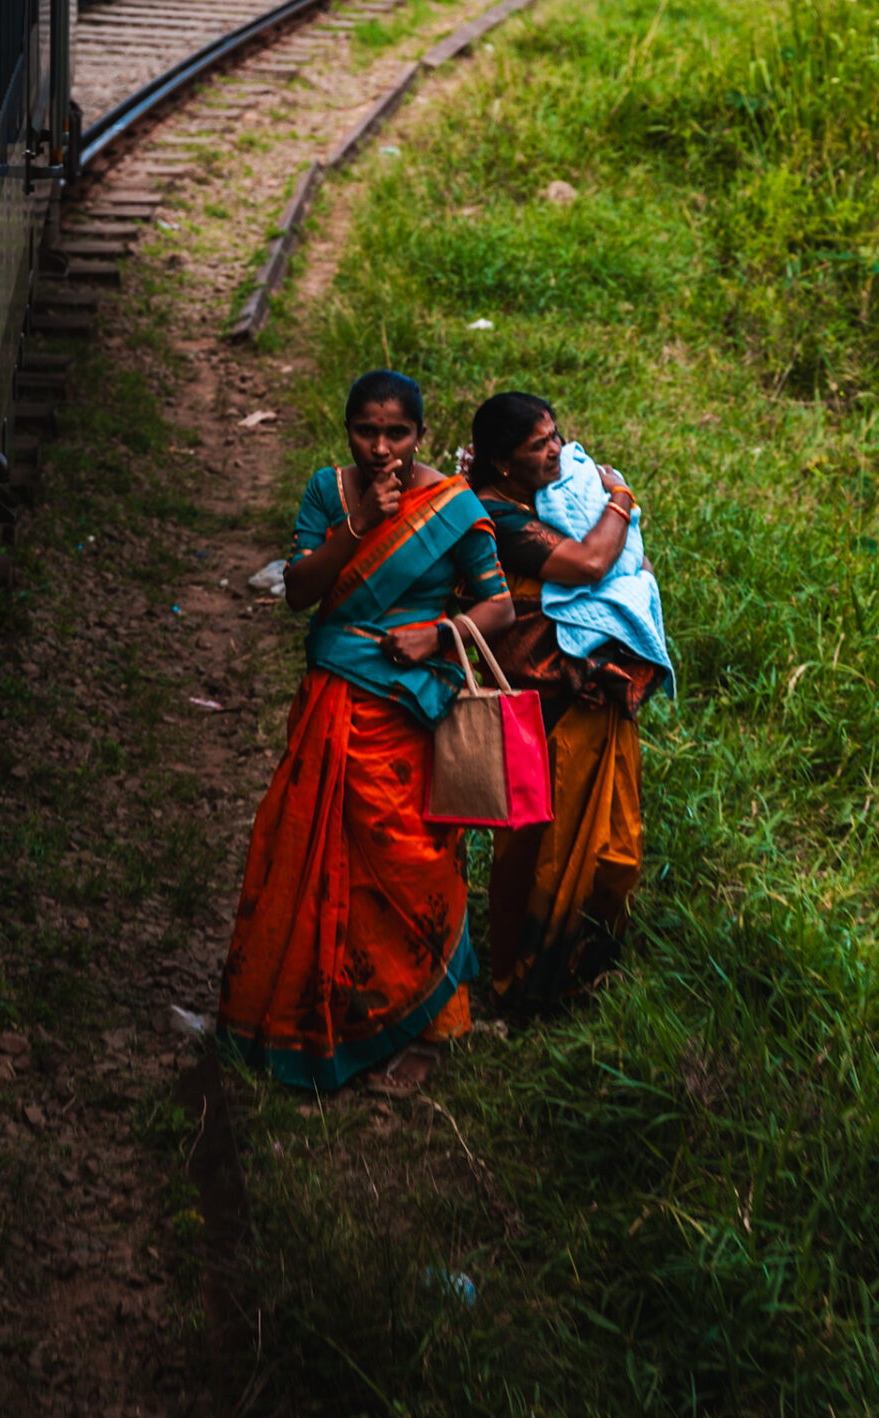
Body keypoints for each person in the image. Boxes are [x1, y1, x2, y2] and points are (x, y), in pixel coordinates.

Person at [218, 370, 514, 1090]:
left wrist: (437, 636)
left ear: (422, 433)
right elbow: (297, 591)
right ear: (346, 429)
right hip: (331, 700)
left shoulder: (451, 503)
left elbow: (498, 608)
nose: (382, 447)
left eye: (397, 433)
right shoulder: (330, 491)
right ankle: (311, 1006)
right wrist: (360, 526)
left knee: (412, 861)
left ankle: (424, 1021)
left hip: (406, 711)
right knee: (309, 853)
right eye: (365, 431)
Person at [466, 391, 665, 1011]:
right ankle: (526, 979)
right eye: (537, 445)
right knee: (537, 848)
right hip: (542, 703)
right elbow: (590, 562)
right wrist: (623, 501)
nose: (555, 449)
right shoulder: (498, 514)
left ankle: (587, 968)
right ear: (502, 463)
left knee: (615, 840)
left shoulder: (552, 494)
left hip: (595, 693)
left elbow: (625, 566)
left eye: (555, 435)